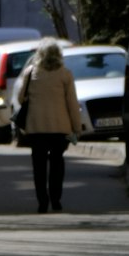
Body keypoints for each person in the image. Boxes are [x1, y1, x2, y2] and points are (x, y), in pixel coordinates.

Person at [17, 39, 83, 212]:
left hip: (36, 128)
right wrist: (77, 128)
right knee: (57, 164)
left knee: (38, 166)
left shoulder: (30, 73)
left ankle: (42, 202)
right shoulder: (65, 74)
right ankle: (56, 199)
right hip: (60, 129)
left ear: (39, 55)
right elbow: (72, 104)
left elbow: (19, 98)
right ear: (59, 55)